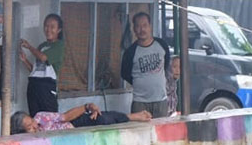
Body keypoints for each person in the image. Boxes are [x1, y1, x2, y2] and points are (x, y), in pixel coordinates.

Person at [120, 11, 171, 118]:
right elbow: (125, 74)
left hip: (161, 100)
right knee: (140, 133)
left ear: (150, 27)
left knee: (160, 132)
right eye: (138, 26)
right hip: (140, 102)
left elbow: (166, 64)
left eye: (145, 25)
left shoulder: (161, 45)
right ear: (134, 29)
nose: (142, 29)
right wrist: (140, 81)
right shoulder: (130, 52)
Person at [19, 13, 65, 116]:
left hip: (46, 87)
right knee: (35, 118)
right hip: (34, 85)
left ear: (59, 30)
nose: (48, 29)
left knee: (50, 119)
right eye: (46, 26)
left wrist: (29, 46)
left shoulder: (59, 46)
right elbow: (35, 71)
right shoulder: (42, 46)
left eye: (52, 27)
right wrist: (24, 60)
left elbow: (43, 58)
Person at [11, 103, 151, 133]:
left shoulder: (40, 117)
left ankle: (134, 116)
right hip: (70, 135)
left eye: (31, 122)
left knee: (103, 119)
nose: (34, 126)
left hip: (74, 124)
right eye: (29, 127)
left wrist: (86, 107)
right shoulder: (31, 138)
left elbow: (65, 117)